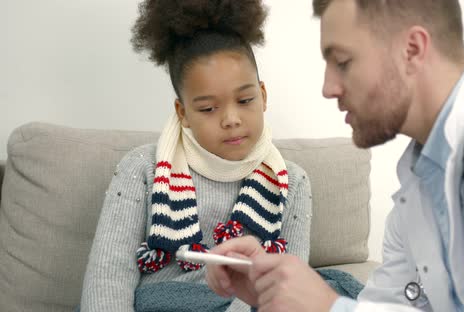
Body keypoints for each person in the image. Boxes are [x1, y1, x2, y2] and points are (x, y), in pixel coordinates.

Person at [206, 0, 464, 311]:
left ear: (412, 49)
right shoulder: (415, 194)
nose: (328, 87)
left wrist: (329, 307)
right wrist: (274, 292)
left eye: (342, 61)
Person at [78, 0, 312, 311]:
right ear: (183, 112)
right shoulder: (142, 169)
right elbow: (108, 277)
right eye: (208, 108)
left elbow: (288, 288)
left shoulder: (292, 182)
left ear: (263, 95)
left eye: (245, 100)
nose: (231, 118)